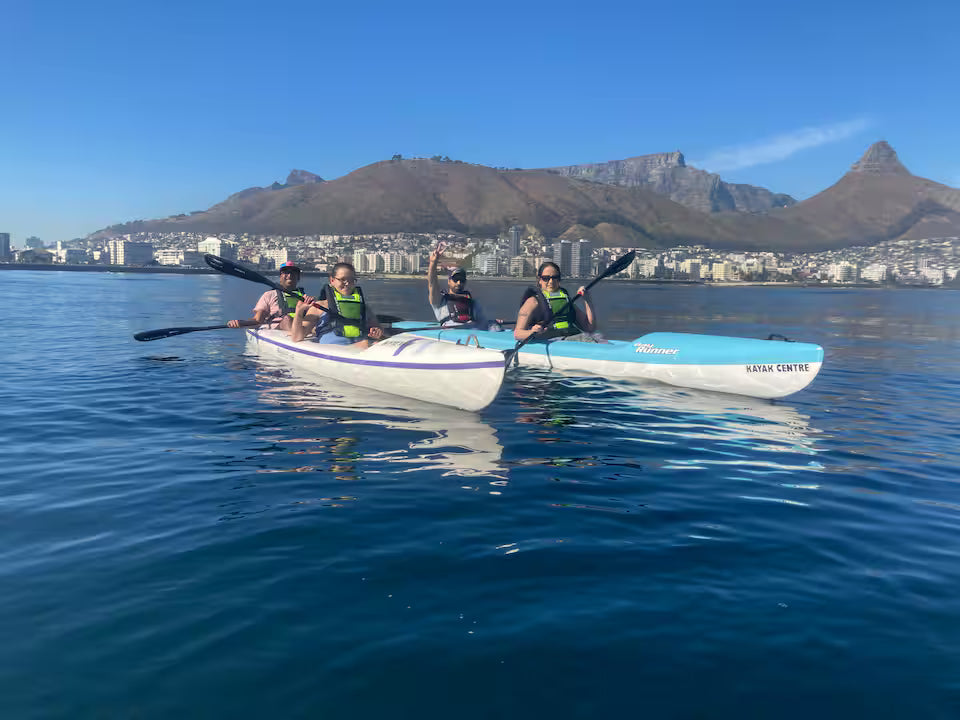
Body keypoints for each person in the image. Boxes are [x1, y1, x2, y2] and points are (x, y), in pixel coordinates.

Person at [290, 262, 384, 347]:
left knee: (374, 343)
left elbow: (378, 328)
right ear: (332, 280)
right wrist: (299, 311)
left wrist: (377, 331)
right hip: (335, 349)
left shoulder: (364, 308)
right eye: (342, 279)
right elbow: (297, 337)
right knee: (367, 344)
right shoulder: (319, 307)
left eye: (351, 280)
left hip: (360, 346)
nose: (347, 283)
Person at [513, 261, 601, 342]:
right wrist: (532, 332)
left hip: (570, 339)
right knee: (588, 339)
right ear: (539, 280)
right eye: (546, 278)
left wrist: (587, 300)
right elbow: (518, 334)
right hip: (551, 341)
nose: (551, 282)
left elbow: (589, 328)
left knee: (597, 336)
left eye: (555, 278)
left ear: (559, 279)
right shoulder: (532, 302)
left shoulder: (565, 300)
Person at [427, 241, 502, 330]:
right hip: (451, 336)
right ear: (449, 281)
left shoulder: (473, 303)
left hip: (473, 334)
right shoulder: (439, 300)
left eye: (462, 280)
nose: (459, 283)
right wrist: (433, 263)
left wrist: (492, 323)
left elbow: (483, 323)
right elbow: (432, 283)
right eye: (455, 279)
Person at [227, 260, 306, 332]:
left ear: (298, 277)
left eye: (293, 272)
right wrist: (240, 323)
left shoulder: (305, 297)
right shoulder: (269, 295)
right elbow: (257, 320)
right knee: (287, 319)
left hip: (301, 327)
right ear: (280, 277)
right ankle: (296, 337)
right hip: (279, 329)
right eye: (286, 272)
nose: (289, 275)